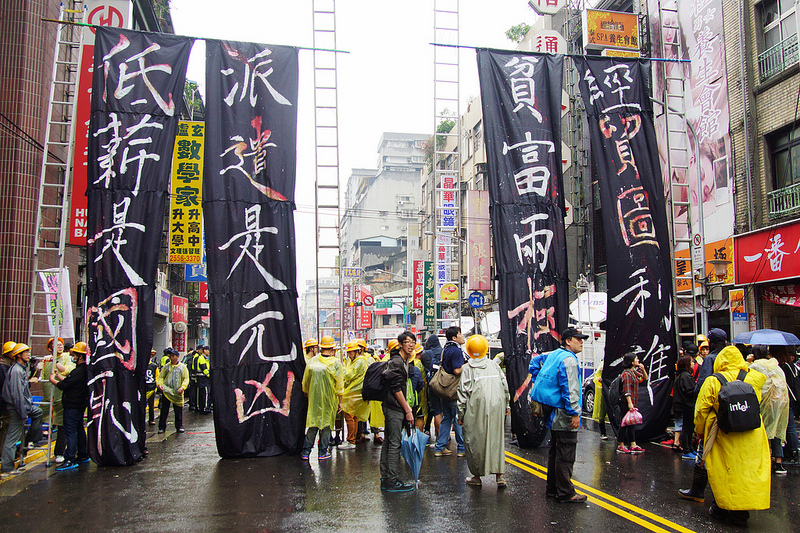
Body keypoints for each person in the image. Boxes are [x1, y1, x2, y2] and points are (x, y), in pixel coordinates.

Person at [694, 345, 770, 526]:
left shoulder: (713, 381)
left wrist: (700, 431)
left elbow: (701, 410)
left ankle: (723, 506)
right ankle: (742, 509)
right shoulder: (752, 378)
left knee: (724, 471)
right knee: (747, 471)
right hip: (751, 432)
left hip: (722, 432)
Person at [529, 327, 588, 503]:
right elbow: (570, 389)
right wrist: (574, 413)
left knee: (555, 451)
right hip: (563, 412)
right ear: (568, 341)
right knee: (566, 452)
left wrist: (534, 378)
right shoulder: (569, 360)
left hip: (552, 411)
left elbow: (535, 363)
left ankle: (553, 489)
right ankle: (565, 492)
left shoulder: (555, 354)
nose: (581, 342)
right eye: (578, 339)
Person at [457, 335, 510, 488]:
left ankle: (476, 475)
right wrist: (506, 405)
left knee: (474, 439)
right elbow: (504, 384)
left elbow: (463, 392)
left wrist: (460, 414)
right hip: (497, 404)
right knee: (497, 439)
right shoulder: (494, 365)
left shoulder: (467, 368)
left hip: (476, 405)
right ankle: (500, 476)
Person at [380, 331, 416, 492]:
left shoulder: (402, 361)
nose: (411, 345)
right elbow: (396, 389)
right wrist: (407, 409)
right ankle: (392, 481)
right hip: (394, 407)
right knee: (394, 443)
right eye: (407, 342)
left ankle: (386, 478)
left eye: (413, 342)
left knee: (389, 441)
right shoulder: (397, 362)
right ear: (400, 344)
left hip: (391, 406)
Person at [1, 344, 43, 476]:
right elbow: (17, 394)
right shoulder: (16, 371)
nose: (28, 354)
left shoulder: (20, 369)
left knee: (38, 413)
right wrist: (22, 412)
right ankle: (7, 467)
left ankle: (32, 439)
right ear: (18, 355)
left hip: (23, 406)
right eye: (25, 352)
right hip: (18, 408)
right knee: (11, 438)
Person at [749, 345, 790, 475]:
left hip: (765, 402)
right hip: (781, 402)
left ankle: (765, 460)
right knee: (777, 429)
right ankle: (778, 463)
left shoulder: (754, 366)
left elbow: (748, 381)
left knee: (764, 430)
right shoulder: (775, 365)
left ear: (754, 355)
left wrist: (748, 361)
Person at [301, 336, 343, 460]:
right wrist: (340, 402)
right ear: (332, 349)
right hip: (329, 399)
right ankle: (322, 452)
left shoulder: (313, 361)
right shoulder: (336, 363)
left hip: (314, 398)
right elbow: (340, 385)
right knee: (326, 425)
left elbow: (305, 381)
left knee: (313, 424)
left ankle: (306, 452)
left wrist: (307, 392)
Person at [49, 342, 90, 471]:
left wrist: (53, 380)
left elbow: (65, 385)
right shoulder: (83, 371)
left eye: (75, 355)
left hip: (72, 405)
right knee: (78, 429)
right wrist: (58, 376)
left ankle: (70, 458)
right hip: (79, 404)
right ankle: (82, 454)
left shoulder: (79, 371)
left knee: (70, 431)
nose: (73, 357)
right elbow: (69, 381)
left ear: (81, 357)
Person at [433, 326, 466, 458]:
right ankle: (462, 448)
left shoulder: (446, 349)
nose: (462, 336)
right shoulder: (456, 351)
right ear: (454, 337)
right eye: (460, 334)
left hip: (445, 390)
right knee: (458, 418)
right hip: (454, 390)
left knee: (447, 419)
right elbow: (457, 370)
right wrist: (468, 364)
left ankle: (440, 447)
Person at [617, 352, 648, 454]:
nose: (638, 360)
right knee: (624, 423)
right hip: (626, 402)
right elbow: (627, 390)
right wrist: (630, 403)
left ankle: (633, 444)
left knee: (631, 423)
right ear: (632, 361)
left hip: (633, 401)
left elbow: (645, 378)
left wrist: (642, 369)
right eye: (636, 359)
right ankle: (621, 444)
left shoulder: (633, 372)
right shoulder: (626, 374)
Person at [340, 340, 369, 449]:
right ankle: (352, 439)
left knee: (349, 416)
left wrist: (340, 368)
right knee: (353, 416)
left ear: (357, 351)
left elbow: (349, 375)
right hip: (354, 392)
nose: (349, 354)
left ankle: (351, 440)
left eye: (351, 352)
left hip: (354, 392)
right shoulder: (356, 360)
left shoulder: (359, 361)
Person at [156, 347, 189, 434]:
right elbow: (161, 377)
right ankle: (162, 427)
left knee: (178, 411)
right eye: (170, 356)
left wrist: (182, 387)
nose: (171, 358)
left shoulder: (183, 367)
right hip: (167, 391)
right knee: (164, 410)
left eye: (173, 356)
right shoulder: (166, 367)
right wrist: (160, 384)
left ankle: (179, 426)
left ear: (177, 356)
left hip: (177, 392)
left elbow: (186, 379)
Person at [673, 355, 698, 459]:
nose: (693, 364)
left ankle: (690, 448)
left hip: (684, 405)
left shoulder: (681, 376)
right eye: (691, 362)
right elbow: (689, 391)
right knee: (687, 428)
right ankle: (687, 450)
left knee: (688, 428)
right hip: (687, 405)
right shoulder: (686, 376)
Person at [778, 348, 800, 464]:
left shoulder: (783, 367)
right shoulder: (791, 366)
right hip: (792, 399)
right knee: (790, 426)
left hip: (785, 399)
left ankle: (792, 451)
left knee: (789, 426)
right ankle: (793, 451)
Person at [422, 334, 443, 442]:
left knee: (436, 412)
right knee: (445, 412)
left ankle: (439, 438)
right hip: (445, 385)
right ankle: (446, 436)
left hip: (432, 385)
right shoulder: (444, 352)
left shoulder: (426, 354)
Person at [0, 342, 17, 463]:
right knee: (6, 431)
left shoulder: (8, 367)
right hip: (4, 406)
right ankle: (4, 456)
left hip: (5, 405)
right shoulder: (4, 369)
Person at [191, 346, 211, 414]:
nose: (209, 352)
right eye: (208, 350)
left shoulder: (204, 358)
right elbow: (204, 368)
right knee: (206, 393)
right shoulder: (201, 358)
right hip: (203, 379)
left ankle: (201, 407)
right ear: (204, 350)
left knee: (201, 394)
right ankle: (205, 408)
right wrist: (209, 375)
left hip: (201, 379)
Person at [145, 349, 159, 426]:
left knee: (151, 405)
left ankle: (151, 419)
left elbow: (157, 377)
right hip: (143, 388)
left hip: (151, 387)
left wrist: (156, 386)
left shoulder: (154, 366)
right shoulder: (141, 365)